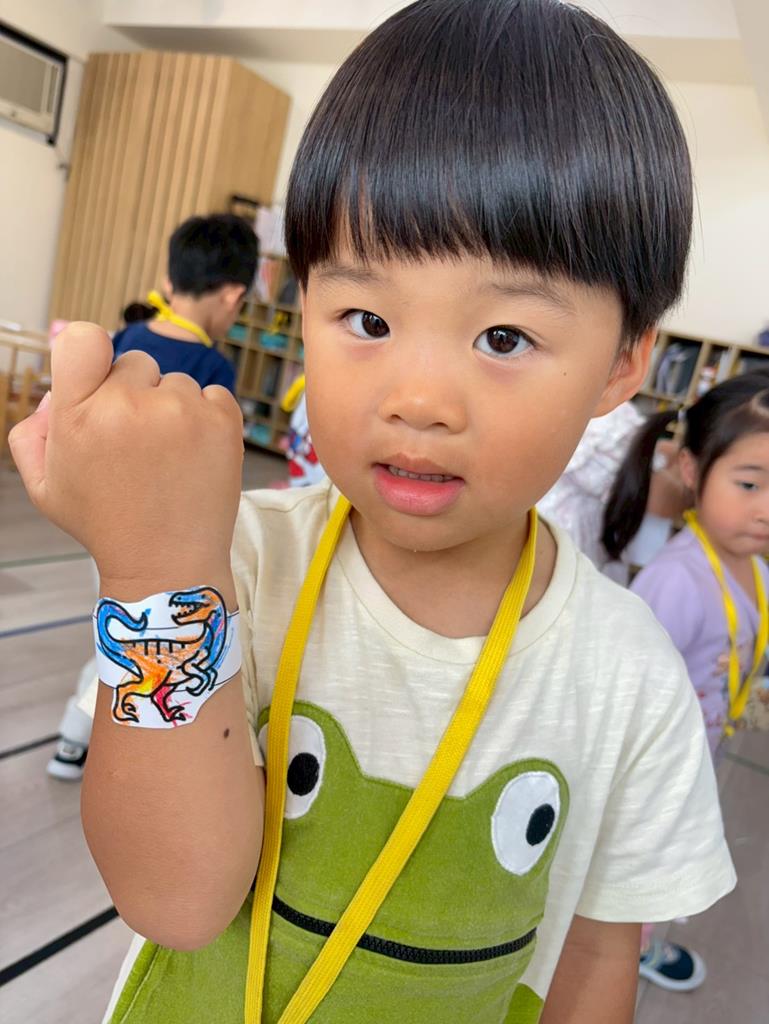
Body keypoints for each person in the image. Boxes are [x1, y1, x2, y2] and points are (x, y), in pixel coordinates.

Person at [11, 2, 736, 1022]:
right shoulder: (223, 562)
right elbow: (174, 899)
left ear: (624, 362)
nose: (418, 399)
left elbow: (594, 956)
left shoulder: (631, 676)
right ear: (301, 303)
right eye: (365, 317)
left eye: (502, 337)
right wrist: (154, 573)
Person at [45, 212, 258, 781]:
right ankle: (80, 736)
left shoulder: (128, 339)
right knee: (146, 637)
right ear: (233, 296)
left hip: (100, 515)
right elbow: (219, 466)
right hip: (166, 533)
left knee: (119, 624)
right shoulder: (213, 367)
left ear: (172, 278)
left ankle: (81, 737)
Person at [537, 401, 689, 584]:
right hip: (565, 540)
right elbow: (663, 499)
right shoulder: (614, 425)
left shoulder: (617, 422)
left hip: (574, 535)